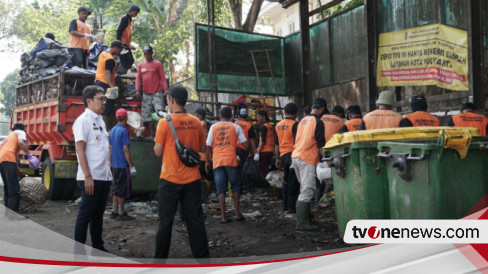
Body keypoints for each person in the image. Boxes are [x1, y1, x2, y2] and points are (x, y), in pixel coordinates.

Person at [153, 84, 209, 259]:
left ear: (171, 100)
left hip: (170, 180)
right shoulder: (197, 123)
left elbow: (158, 151)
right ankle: (203, 261)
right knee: (195, 221)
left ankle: (159, 263)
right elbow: (202, 148)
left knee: (165, 222)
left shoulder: (164, 123)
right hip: (192, 179)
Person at [73, 85, 112, 252]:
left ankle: (98, 248)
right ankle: (79, 253)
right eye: (100, 99)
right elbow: (80, 150)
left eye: (104, 99)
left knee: (98, 215)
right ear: (89, 101)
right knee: (85, 215)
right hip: (90, 177)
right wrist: (88, 176)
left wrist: (109, 176)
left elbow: (103, 149)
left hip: (103, 176)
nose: (104, 102)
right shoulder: (83, 120)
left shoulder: (100, 120)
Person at [206, 107, 251, 223]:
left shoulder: (213, 127)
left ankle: (223, 217)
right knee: (235, 187)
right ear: (231, 116)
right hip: (231, 160)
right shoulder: (236, 127)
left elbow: (208, 146)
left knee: (220, 189)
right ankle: (237, 213)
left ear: (220, 116)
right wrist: (251, 151)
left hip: (217, 161)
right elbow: (245, 144)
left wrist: (207, 161)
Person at [291, 98, 326, 230]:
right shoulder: (318, 122)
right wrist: (327, 160)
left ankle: (306, 217)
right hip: (307, 158)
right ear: (322, 109)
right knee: (307, 189)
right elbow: (320, 144)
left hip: (296, 156)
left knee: (303, 188)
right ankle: (302, 223)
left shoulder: (302, 121)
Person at [135, 45, 168, 137]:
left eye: (148, 54)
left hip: (157, 92)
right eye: (145, 54)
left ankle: (160, 134)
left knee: (159, 113)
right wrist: (137, 90)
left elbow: (163, 78)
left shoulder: (158, 64)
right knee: (148, 115)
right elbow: (138, 78)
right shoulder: (141, 65)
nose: (147, 56)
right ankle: (152, 134)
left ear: (152, 54)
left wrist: (165, 90)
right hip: (146, 93)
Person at [109, 108, 136, 221]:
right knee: (122, 190)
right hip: (122, 165)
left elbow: (110, 148)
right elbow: (126, 149)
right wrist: (131, 165)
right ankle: (121, 213)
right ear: (126, 118)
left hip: (115, 165)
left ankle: (114, 211)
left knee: (116, 188)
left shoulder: (113, 130)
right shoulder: (124, 131)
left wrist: (110, 163)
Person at [0, 122, 30, 213]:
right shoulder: (20, 132)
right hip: (8, 159)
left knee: (8, 186)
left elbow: (8, 153)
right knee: (14, 187)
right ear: (23, 129)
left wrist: (16, 169)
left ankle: (8, 212)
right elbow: (21, 142)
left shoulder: (9, 137)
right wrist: (29, 155)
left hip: (2, 160)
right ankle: (14, 213)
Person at [275, 103, 299, 214]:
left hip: (283, 156)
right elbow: (297, 142)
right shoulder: (295, 124)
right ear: (296, 114)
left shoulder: (278, 125)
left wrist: (277, 158)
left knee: (286, 182)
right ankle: (291, 208)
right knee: (293, 182)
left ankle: (285, 206)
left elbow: (276, 144)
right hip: (293, 155)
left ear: (284, 113)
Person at [94, 40, 124, 129]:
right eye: (120, 50)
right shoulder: (110, 59)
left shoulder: (103, 54)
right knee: (107, 107)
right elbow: (107, 72)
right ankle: (105, 129)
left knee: (100, 106)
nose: (120, 53)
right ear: (116, 48)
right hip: (106, 85)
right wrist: (112, 87)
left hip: (98, 82)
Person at [234, 108, 256, 183]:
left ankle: (236, 183)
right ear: (247, 117)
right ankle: (243, 183)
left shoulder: (235, 124)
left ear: (239, 116)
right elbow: (252, 139)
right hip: (244, 148)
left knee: (235, 166)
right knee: (243, 166)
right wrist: (254, 150)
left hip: (234, 148)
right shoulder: (249, 125)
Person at [194, 108, 209, 204]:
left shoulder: (198, 124)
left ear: (197, 115)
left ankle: (202, 198)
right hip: (205, 156)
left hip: (199, 156)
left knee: (198, 179)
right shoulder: (205, 125)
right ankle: (204, 198)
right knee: (201, 179)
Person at [255, 110, 275, 177]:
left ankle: (267, 183)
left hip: (265, 151)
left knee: (263, 168)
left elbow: (263, 141)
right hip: (271, 150)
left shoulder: (264, 127)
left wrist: (258, 152)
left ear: (264, 117)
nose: (257, 119)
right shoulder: (270, 126)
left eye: (259, 117)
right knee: (266, 167)